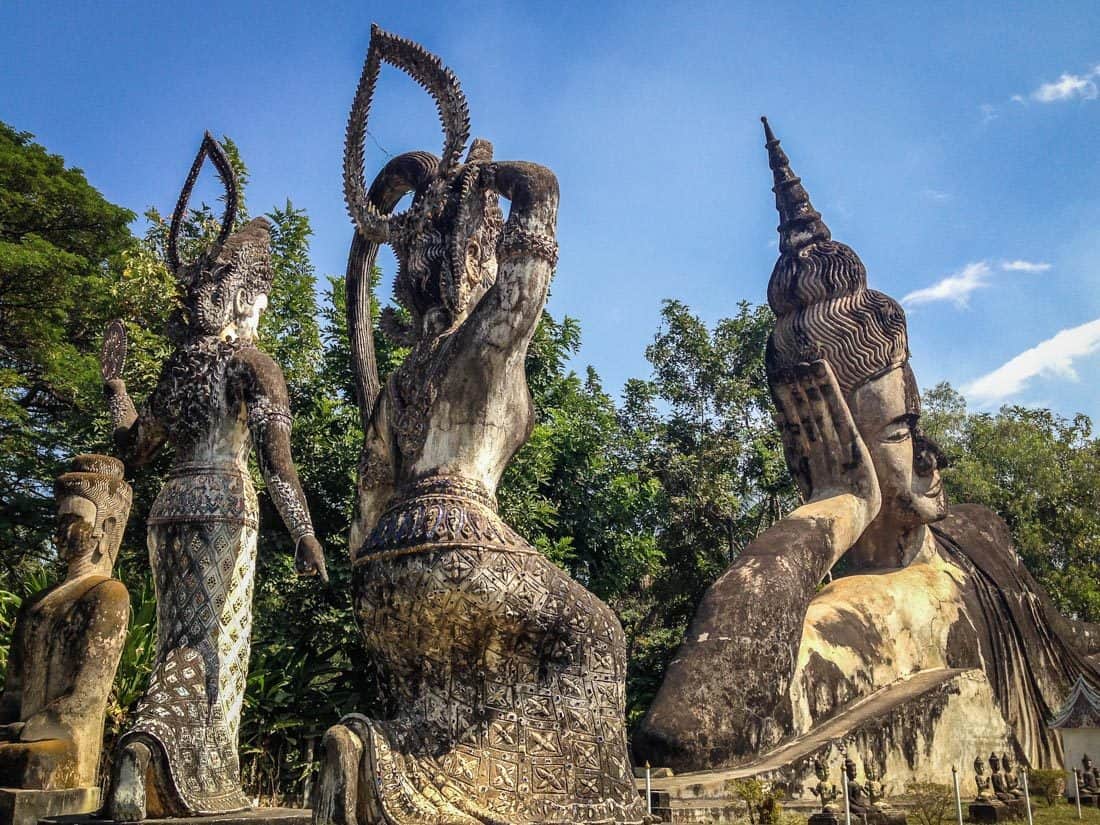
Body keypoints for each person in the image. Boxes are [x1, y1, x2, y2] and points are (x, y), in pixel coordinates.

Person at [634, 118, 1100, 774]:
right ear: (823, 448)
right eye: (902, 432)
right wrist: (836, 504)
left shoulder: (976, 534)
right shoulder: (841, 624)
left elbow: (1073, 645)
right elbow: (689, 731)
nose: (931, 452)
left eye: (918, 420)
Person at [313, 26, 647, 825]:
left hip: (381, 578)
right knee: (598, 638)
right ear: (476, 254)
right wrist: (483, 180)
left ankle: (395, 762)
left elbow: (363, 516)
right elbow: (543, 195)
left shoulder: (399, 379)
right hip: (462, 545)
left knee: (468, 691)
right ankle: (407, 780)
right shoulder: (481, 344)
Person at [103, 134, 326, 820]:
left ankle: (158, 771)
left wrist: (114, 382)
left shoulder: (178, 370)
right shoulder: (251, 364)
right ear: (243, 297)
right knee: (215, 649)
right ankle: (149, 752)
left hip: (170, 511)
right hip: (227, 507)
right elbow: (277, 466)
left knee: (180, 637)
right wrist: (307, 534)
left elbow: (136, 445)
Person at [0, 455, 131, 793]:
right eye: (58, 521)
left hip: (65, 738)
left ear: (107, 528)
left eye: (73, 520)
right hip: (20, 732)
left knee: (31, 762)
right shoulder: (35, 604)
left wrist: (25, 729)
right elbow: (14, 687)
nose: (61, 531)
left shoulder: (107, 595)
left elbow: (85, 695)